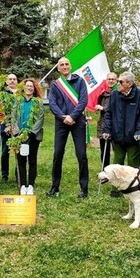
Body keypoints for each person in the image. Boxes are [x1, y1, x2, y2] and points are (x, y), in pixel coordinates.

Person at [47, 57, 89, 198]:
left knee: (81, 155)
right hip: (61, 122)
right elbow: (52, 103)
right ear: (58, 68)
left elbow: (83, 101)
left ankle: (84, 189)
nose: (64, 66)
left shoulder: (80, 81)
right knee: (57, 154)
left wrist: (72, 116)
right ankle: (55, 187)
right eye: (61, 65)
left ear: (70, 66)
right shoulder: (55, 84)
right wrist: (63, 117)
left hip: (77, 122)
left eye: (66, 64)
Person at [103, 72, 140, 197]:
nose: (118, 84)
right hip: (117, 135)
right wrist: (107, 129)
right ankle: (116, 188)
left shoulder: (139, 94)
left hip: (133, 136)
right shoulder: (114, 94)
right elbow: (108, 113)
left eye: (121, 82)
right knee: (117, 162)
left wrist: (139, 130)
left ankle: (133, 188)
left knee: (133, 163)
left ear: (130, 84)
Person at [13, 78, 44, 195]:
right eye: (27, 86)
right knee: (21, 161)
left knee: (32, 160)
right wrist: (17, 132)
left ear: (34, 88)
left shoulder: (38, 102)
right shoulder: (18, 101)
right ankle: (22, 185)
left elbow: (40, 118)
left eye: (31, 86)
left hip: (33, 136)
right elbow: (13, 117)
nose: (29, 88)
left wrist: (31, 133)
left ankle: (30, 184)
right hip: (19, 135)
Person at [95, 72, 118, 169]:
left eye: (113, 79)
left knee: (117, 151)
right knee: (104, 150)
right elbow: (98, 107)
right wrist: (97, 108)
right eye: (109, 79)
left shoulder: (119, 93)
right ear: (106, 80)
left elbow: (116, 109)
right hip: (103, 126)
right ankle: (105, 170)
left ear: (116, 81)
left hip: (116, 126)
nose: (111, 81)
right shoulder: (102, 94)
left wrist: (103, 108)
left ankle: (117, 171)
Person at [0, 73, 18, 182]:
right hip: (6, 127)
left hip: (19, 127)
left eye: (14, 79)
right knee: (5, 151)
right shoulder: (3, 94)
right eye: (10, 79)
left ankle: (18, 174)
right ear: (6, 81)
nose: (12, 81)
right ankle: (4, 175)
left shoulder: (21, 94)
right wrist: (7, 124)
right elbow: (1, 111)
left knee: (19, 151)